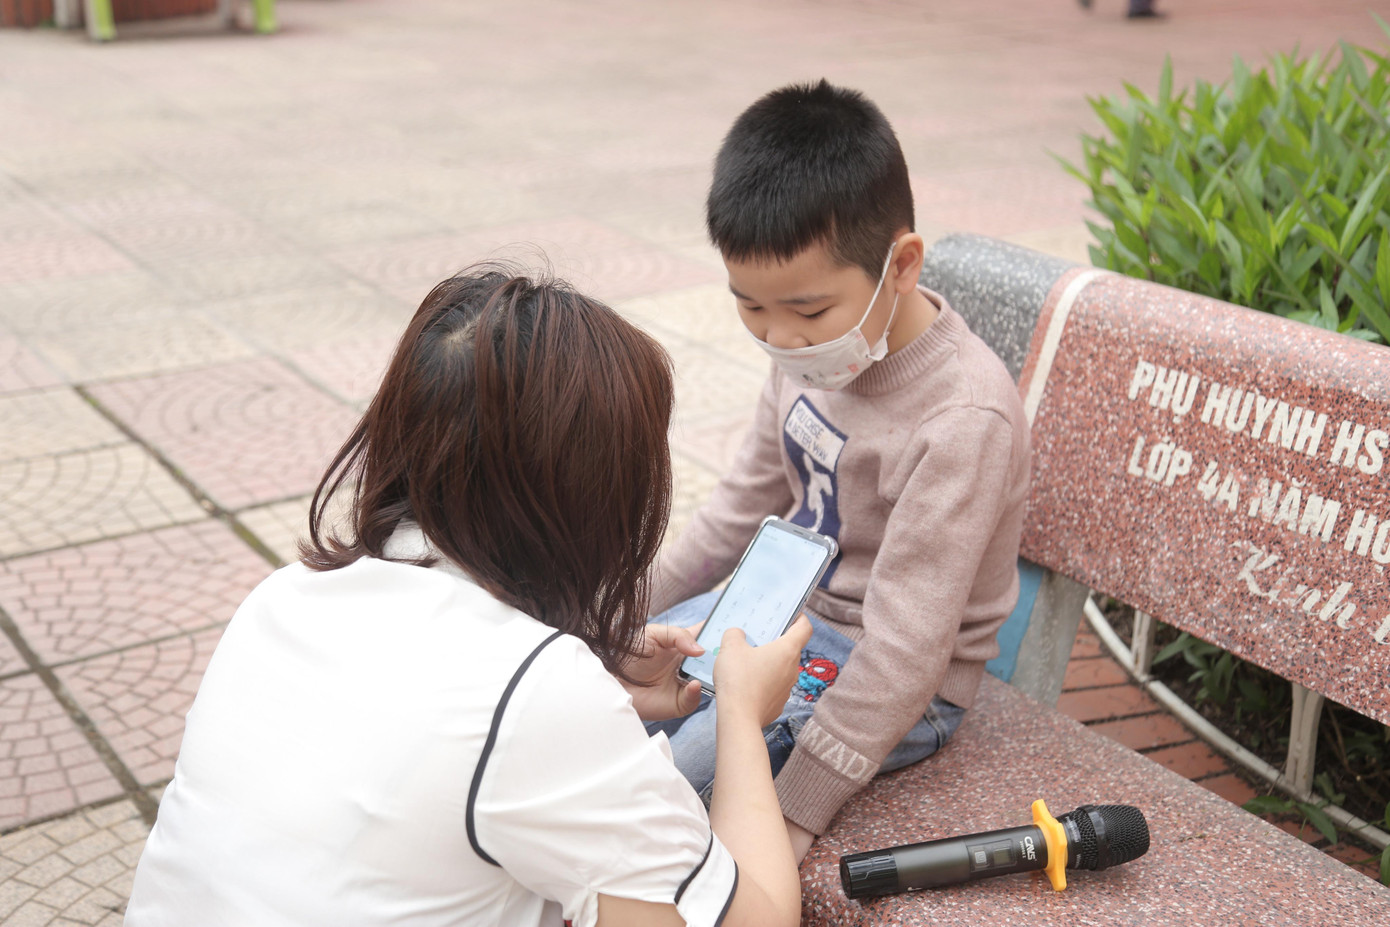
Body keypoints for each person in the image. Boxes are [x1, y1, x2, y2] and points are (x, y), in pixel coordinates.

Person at [123, 268, 808, 927]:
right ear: (595, 496)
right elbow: (759, 918)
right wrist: (742, 716)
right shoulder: (537, 691)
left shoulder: (283, 597)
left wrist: (596, 678)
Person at [645, 81, 1032, 862]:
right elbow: (734, 514)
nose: (780, 337)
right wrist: (615, 613)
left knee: (678, 781)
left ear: (902, 265)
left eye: (809, 312)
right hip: (782, 603)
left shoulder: (962, 418)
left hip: (891, 673)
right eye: (750, 308)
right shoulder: (806, 356)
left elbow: (907, 649)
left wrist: (795, 807)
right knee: (603, 704)